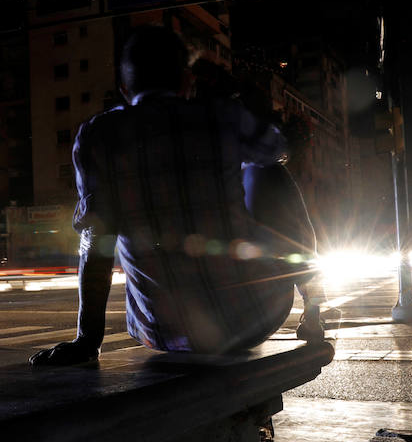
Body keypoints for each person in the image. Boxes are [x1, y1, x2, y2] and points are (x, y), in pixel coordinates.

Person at [29, 25, 321, 367]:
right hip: (252, 319)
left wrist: (87, 340)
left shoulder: (98, 134)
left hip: (161, 330)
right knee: (268, 170)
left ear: (125, 89)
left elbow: (97, 237)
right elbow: (279, 149)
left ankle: (98, 335)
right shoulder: (221, 116)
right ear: (186, 81)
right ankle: (313, 309)